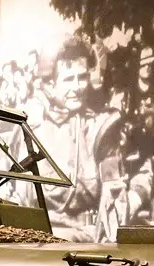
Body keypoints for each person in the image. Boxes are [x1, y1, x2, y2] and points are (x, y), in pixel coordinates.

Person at [29, 38, 113, 241]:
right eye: (68, 79)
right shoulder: (31, 130)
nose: (77, 87)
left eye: (82, 78)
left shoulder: (99, 127)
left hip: (90, 237)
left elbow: (114, 191)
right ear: (49, 85)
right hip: (41, 238)